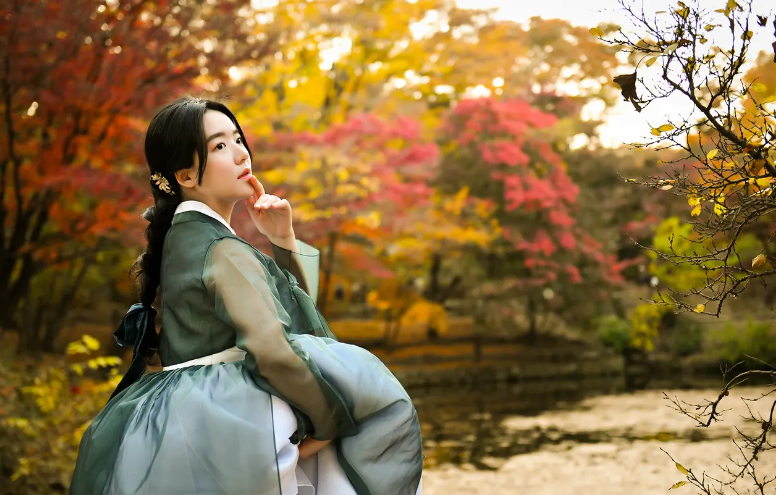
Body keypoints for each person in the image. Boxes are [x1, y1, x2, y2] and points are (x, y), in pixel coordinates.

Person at [69, 97, 423, 495]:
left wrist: (282, 238)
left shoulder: (184, 240)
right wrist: (328, 420)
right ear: (185, 175)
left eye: (238, 139)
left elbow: (294, 314)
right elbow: (273, 348)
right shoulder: (222, 250)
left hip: (183, 422)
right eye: (219, 146)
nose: (241, 153)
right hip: (240, 424)